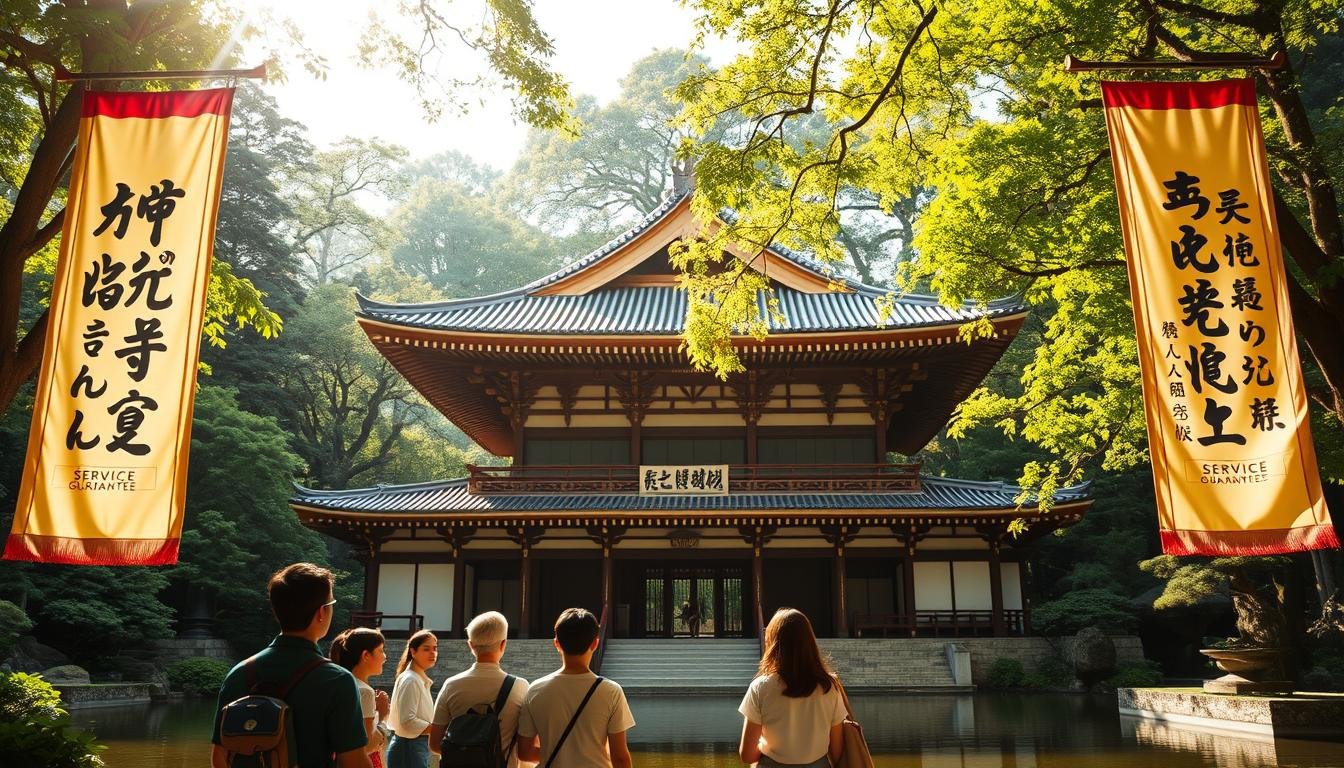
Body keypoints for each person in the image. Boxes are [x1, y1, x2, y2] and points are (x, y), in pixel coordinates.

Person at [210, 562, 372, 768]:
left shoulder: (239, 673)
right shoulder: (337, 680)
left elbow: (219, 756)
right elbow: (353, 762)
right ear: (322, 612)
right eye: (331, 604)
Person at [515, 608, 634, 768]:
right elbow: (620, 758)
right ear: (595, 643)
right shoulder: (611, 691)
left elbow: (524, 752)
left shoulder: (535, 689)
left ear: (556, 644)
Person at [738, 608, 846, 768]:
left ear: (773, 643)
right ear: (810, 642)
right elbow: (837, 753)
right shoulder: (829, 687)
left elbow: (747, 755)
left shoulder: (760, 688)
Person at [429, 611, 531, 767]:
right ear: (503, 644)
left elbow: (435, 744)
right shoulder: (520, 686)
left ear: (470, 645)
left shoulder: (451, 685)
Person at [331, 628, 392, 768]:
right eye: (380, 650)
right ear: (366, 655)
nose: (385, 656)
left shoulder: (340, 684)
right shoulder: (365, 692)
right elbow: (365, 747)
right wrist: (382, 717)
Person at [387, 629, 439, 768]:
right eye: (426, 649)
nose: (432, 653)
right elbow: (408, 721)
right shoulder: (411, 680)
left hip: (414, 745)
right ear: (413, 652)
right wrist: (437, 728)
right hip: (409, 746)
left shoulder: (416, 678)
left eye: (435, 648)